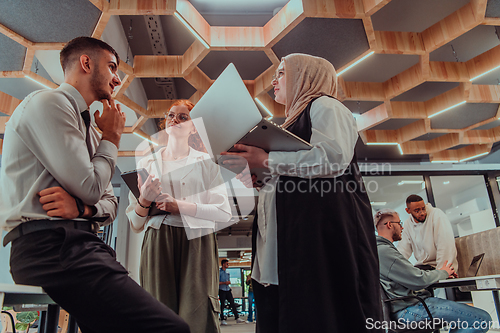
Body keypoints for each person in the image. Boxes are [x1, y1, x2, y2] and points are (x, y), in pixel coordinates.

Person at [0, 37, 189, 333]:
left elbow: (109, 203)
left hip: (81, 245)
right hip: (50, 248)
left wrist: (82, 208)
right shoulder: (50, 103)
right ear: (86, 63)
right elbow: (92, 187)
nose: (116, 79)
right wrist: (112, 138)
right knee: (172, 329)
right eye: (112, 67)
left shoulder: (89, 129)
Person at [221, 53, 382, 333]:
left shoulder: (325, 106)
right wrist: (261, 178)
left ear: (306, 76)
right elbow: (295, 177)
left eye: (282, 72)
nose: (274, 80)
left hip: (318, 245)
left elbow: (332, 158)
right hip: (283, 253)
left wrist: (267, 161)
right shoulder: (288, 124)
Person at [126, 100, 232, 333]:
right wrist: (144, 200)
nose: (174, 120)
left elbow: (224, 212)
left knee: (198, 310)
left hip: (197, 240)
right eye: (171, 115)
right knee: (158, 308)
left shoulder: (206, 163)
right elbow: (135, 223)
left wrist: (179, 206)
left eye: (183, 117)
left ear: (194, 127)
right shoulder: (147, 162)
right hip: (157, 239)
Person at [375, 209, 491, 332]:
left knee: (462, 321)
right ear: (389, 225)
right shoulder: (385, 252)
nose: (402, 228)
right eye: (399, 223)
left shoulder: (379, 250)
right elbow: (418, 279)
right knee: (482, 319)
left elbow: (412, 278)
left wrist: (437, 274)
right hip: (408, 310)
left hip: (404, 308)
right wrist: (443, 272)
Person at [398, 194, 458, 271]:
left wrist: (441, 272)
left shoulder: (437, 215)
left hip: (439, 266)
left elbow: (445, 246)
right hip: (423, 268)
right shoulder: (407, 224)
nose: (422, 213)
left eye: (423, 208)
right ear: (408, 211)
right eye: (417, 211)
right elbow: (403, 250)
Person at [219, 259, 245, 325]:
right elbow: (217, 282)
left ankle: (237, 318)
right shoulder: (219, 272)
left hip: (228, 289)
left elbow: (228, 280)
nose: (228, 265)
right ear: (223, 264)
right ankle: (222, 319)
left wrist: (228, 283)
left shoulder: (227, 272)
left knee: (232, 303)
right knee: (222, 305)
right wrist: (225, 283)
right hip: (222, 290)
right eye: (227, 264)